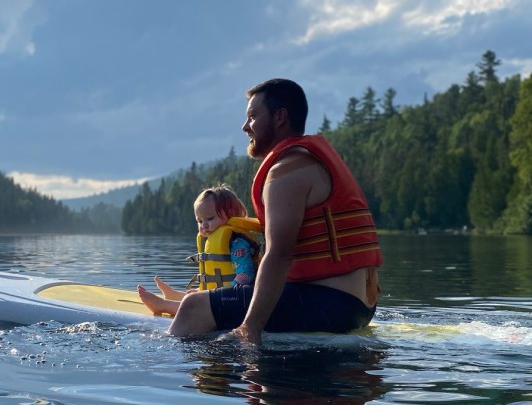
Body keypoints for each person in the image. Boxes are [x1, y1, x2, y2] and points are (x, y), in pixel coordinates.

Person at [167, 78, 382, 342]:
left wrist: (250, 327)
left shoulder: (287, 171)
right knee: (210, 302)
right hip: (360, 306)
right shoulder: (307, 159)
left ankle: (175, 376)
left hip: (331, 304)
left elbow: (279, 255)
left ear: (280, 117)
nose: (245, 127)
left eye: (253, 117)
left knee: (193, 307)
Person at [137, 185, 261, 317]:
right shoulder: (217, 237)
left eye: (210, 218)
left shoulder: (237, 242)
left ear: (230, 214)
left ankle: (163, 306)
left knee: (195, 303)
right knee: (195, 295)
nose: (204, 225)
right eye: (200, 221)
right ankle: (175, 296)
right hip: (222, 297)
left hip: (237, 301)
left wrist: (227, 294)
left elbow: (246, 274)